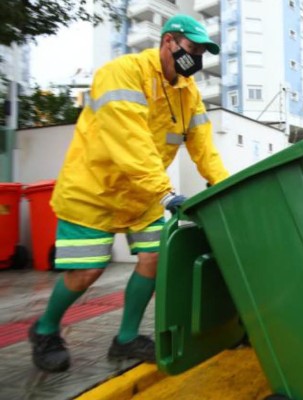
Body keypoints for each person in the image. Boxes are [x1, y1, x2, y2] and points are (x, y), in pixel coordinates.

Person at [28, 14, 229, 373]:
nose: (197, 58)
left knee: (153, 261)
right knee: (86, 273)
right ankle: (44, 330)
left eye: (202, 52)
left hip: (143, 196)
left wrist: (225, 185)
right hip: (94, 191)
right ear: (169, 41)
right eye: (193, 48)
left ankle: (125, 339)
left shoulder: (188, 93)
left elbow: (204, 147)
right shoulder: (122, 72)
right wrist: (165, 193)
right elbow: (129, 141)